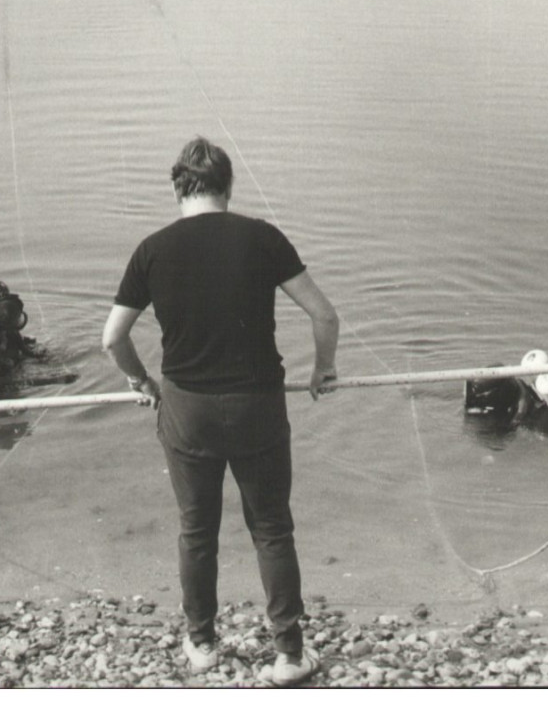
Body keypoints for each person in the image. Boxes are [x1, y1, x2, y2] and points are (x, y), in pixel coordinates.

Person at [102, 137, 339, 686]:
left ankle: (203, 643)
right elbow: (325, 317)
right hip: (258, 404)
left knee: (196, 530)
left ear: (177, 188)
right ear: (228, 187)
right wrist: (321, 370)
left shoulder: (152, 248)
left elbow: (112, 338)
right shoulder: (263, 238)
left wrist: (141, 380)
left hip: (187, 410)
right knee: (273, 529)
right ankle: (288, 655)